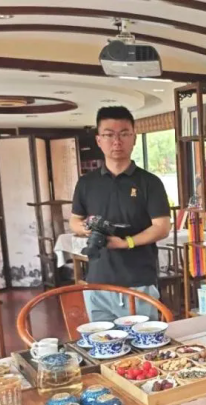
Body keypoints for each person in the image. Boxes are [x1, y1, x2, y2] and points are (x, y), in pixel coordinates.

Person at [70, 106, 171, 321]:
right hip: (97, 282)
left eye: (124, 134)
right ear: (99, 140)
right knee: (102, 341)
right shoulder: (86, 183)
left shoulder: (150, 182)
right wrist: (87, 228)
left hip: (138, 281)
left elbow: (162, 227)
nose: (117, 141)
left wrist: (127, 243)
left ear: (134, 138)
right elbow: (74, 221)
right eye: (109, 135)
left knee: (143, 341)